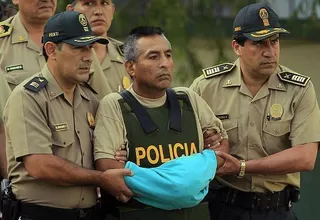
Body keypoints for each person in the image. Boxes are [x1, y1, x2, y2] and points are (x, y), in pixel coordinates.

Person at [190, 3, 320, 220]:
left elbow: (306, 157)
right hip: (222, 207)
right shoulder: (206, 87)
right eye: (259, 43)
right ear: (237, 47)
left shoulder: (299, 89)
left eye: (275, 42)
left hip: (277, 209)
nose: (270, 52)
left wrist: (241, 167)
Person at [2, 11, 133, 220]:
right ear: (51, 50)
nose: (88, 56)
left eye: (90, 47)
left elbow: (109, 151)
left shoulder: (91, 99)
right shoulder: (28, 97)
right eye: (78, 47)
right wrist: (101, 178)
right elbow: (39, 165)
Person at [93, 26, 229, 220]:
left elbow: (222, 151)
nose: (165, 63)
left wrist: (145, 179)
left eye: (168, 55)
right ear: (130, 67)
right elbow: (109, 169)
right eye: (153, 57)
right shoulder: (115, 105)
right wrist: (192, 176)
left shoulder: (188, 99)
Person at [67, 0, 132, 99]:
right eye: (88, 3)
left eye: (104, 3)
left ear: (112, 10)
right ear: (71, 11)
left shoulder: (129, 56)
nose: (99, 12)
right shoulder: (60, 56)